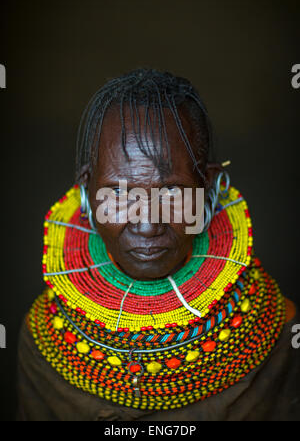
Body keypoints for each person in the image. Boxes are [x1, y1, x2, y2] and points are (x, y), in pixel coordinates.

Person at [17, 69, 300, 421]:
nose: (148, 225)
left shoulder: (279, 331)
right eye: (119, 193)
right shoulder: (45, 341)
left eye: (172, 191)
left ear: (208, 186)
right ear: (87, 189)